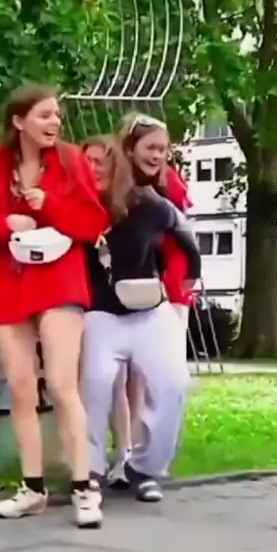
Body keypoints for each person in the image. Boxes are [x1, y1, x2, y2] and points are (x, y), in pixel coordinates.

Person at [0, 84, 109, 527]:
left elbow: (92, 222)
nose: (55, 122)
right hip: (8, 280)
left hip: (59, 278)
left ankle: (84, 487)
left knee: (63, 385)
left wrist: (49, 205)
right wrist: (5, 222)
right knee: (19, 385)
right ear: (19, 122)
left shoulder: (70, 160)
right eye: (45, 115)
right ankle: (32, 488)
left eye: (57, 115)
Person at [80, 128, 201, 501]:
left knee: (174, 384)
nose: (93, 169)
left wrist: (191, 273)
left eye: (101, 162)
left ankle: (145, 467)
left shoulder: (148, 202)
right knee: (96, 386)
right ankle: (90, 469)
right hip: (100, 314)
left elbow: (184, 232)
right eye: (87, 162)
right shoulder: (79, 206)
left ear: (118, 165)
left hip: (150, 310)